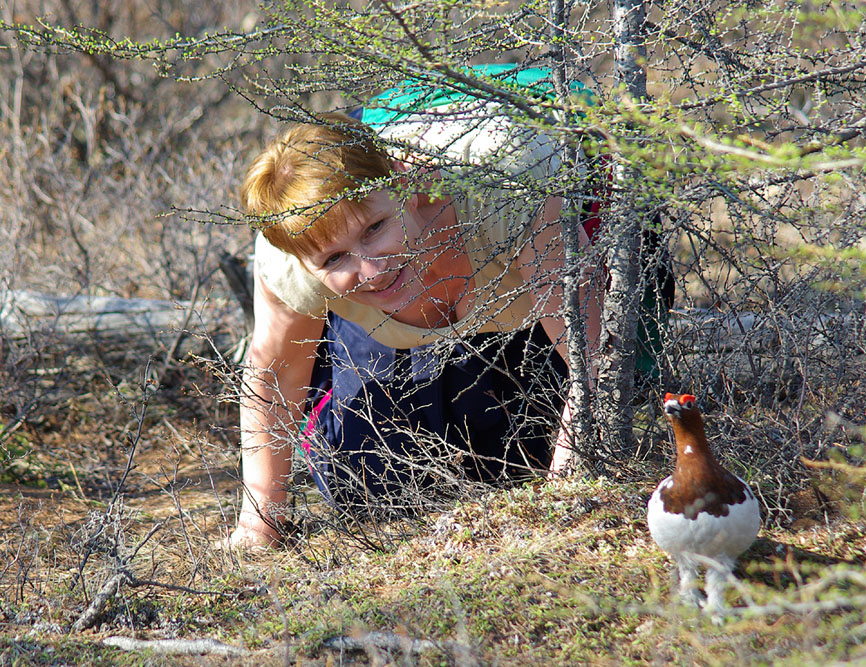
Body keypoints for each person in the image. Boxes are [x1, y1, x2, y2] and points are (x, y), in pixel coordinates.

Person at [226, 71, 664, 547]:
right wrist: (259, 523)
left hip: (545, 228)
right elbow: (273, 374)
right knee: (364, 479)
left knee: (531, 450)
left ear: (404, 183)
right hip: (417, 247)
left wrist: (563, 503)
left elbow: (596, 358)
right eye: (335, 259)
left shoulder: (506, 190)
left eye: (374, 229)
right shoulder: (290, 260)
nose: (371, 270)